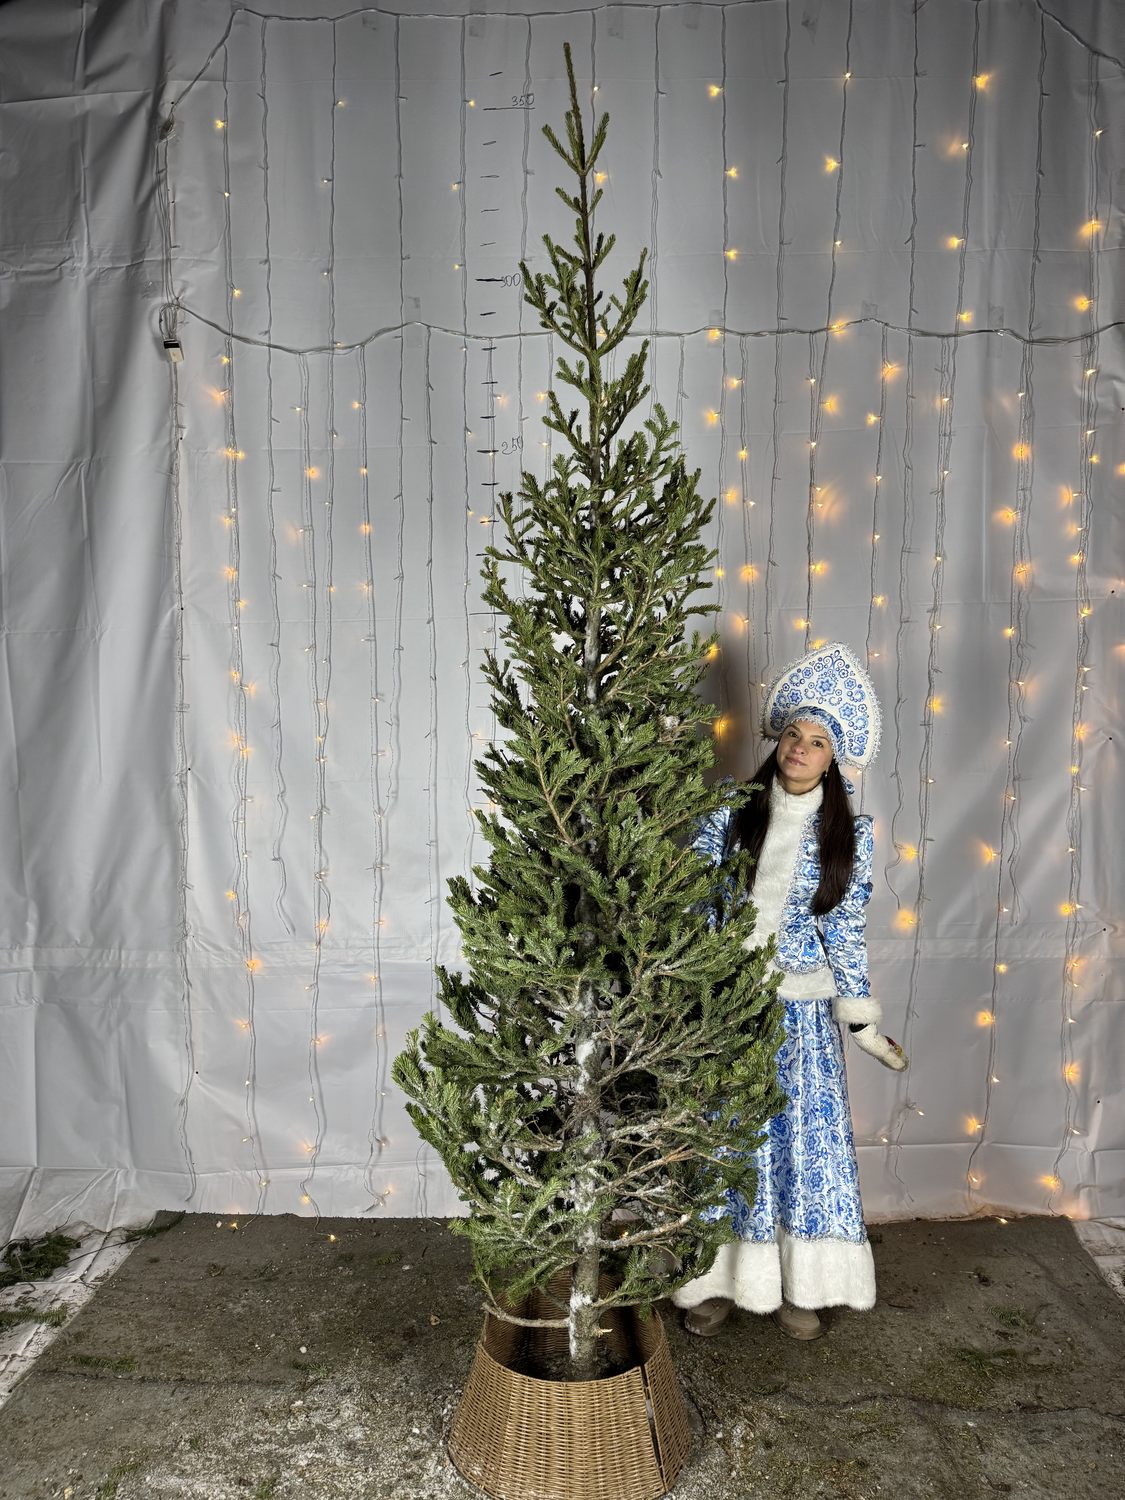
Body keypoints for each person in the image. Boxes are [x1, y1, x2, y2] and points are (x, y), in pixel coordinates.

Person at [674, 641, 907, 1341]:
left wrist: (862, 1021)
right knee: (726, 1141)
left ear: (833, 759)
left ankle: (801, 1286)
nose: (800, 749)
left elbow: (844, 930)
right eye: (794, 736)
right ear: (779, 742)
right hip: (726, 1010)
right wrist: (689, 985)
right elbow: (690, 899)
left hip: (802, 1018)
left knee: (801, 1149)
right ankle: (718, 1281)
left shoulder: (849, 836)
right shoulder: (730, 813)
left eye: (817, 742)